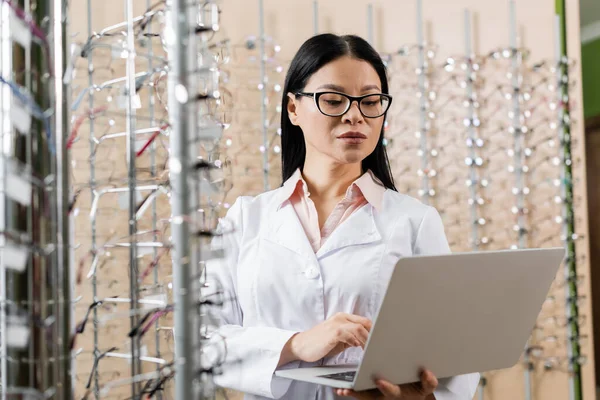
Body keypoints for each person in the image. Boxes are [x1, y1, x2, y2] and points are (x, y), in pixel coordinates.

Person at [208, 33, 480, 400]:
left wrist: (419, 395)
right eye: (333, 100)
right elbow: (204, 341)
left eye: (370, 101)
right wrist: (296, 344)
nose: (355, 114)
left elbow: (452, 350)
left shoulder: (415, 222)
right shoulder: (246, 219)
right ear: (293, 109)